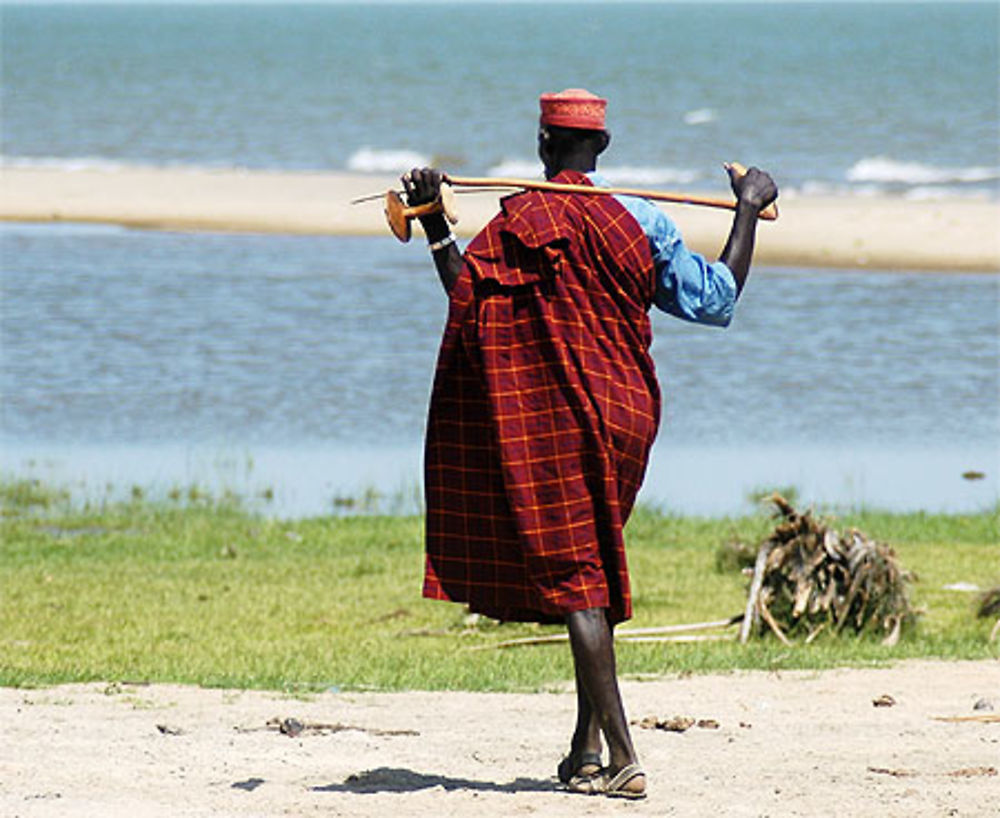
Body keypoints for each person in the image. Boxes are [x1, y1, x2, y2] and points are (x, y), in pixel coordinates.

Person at [402, 88, 777, 800]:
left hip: (555, 419)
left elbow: (465, 293)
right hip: (625, 416)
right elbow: (717, 297)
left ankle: (627, 758)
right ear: (600, 148)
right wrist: (749, 208)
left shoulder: (520, 219)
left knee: (580, 581)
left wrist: (435, 228)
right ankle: (585, 749)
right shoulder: (639, 221)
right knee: (591, 573)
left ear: (544, 145)